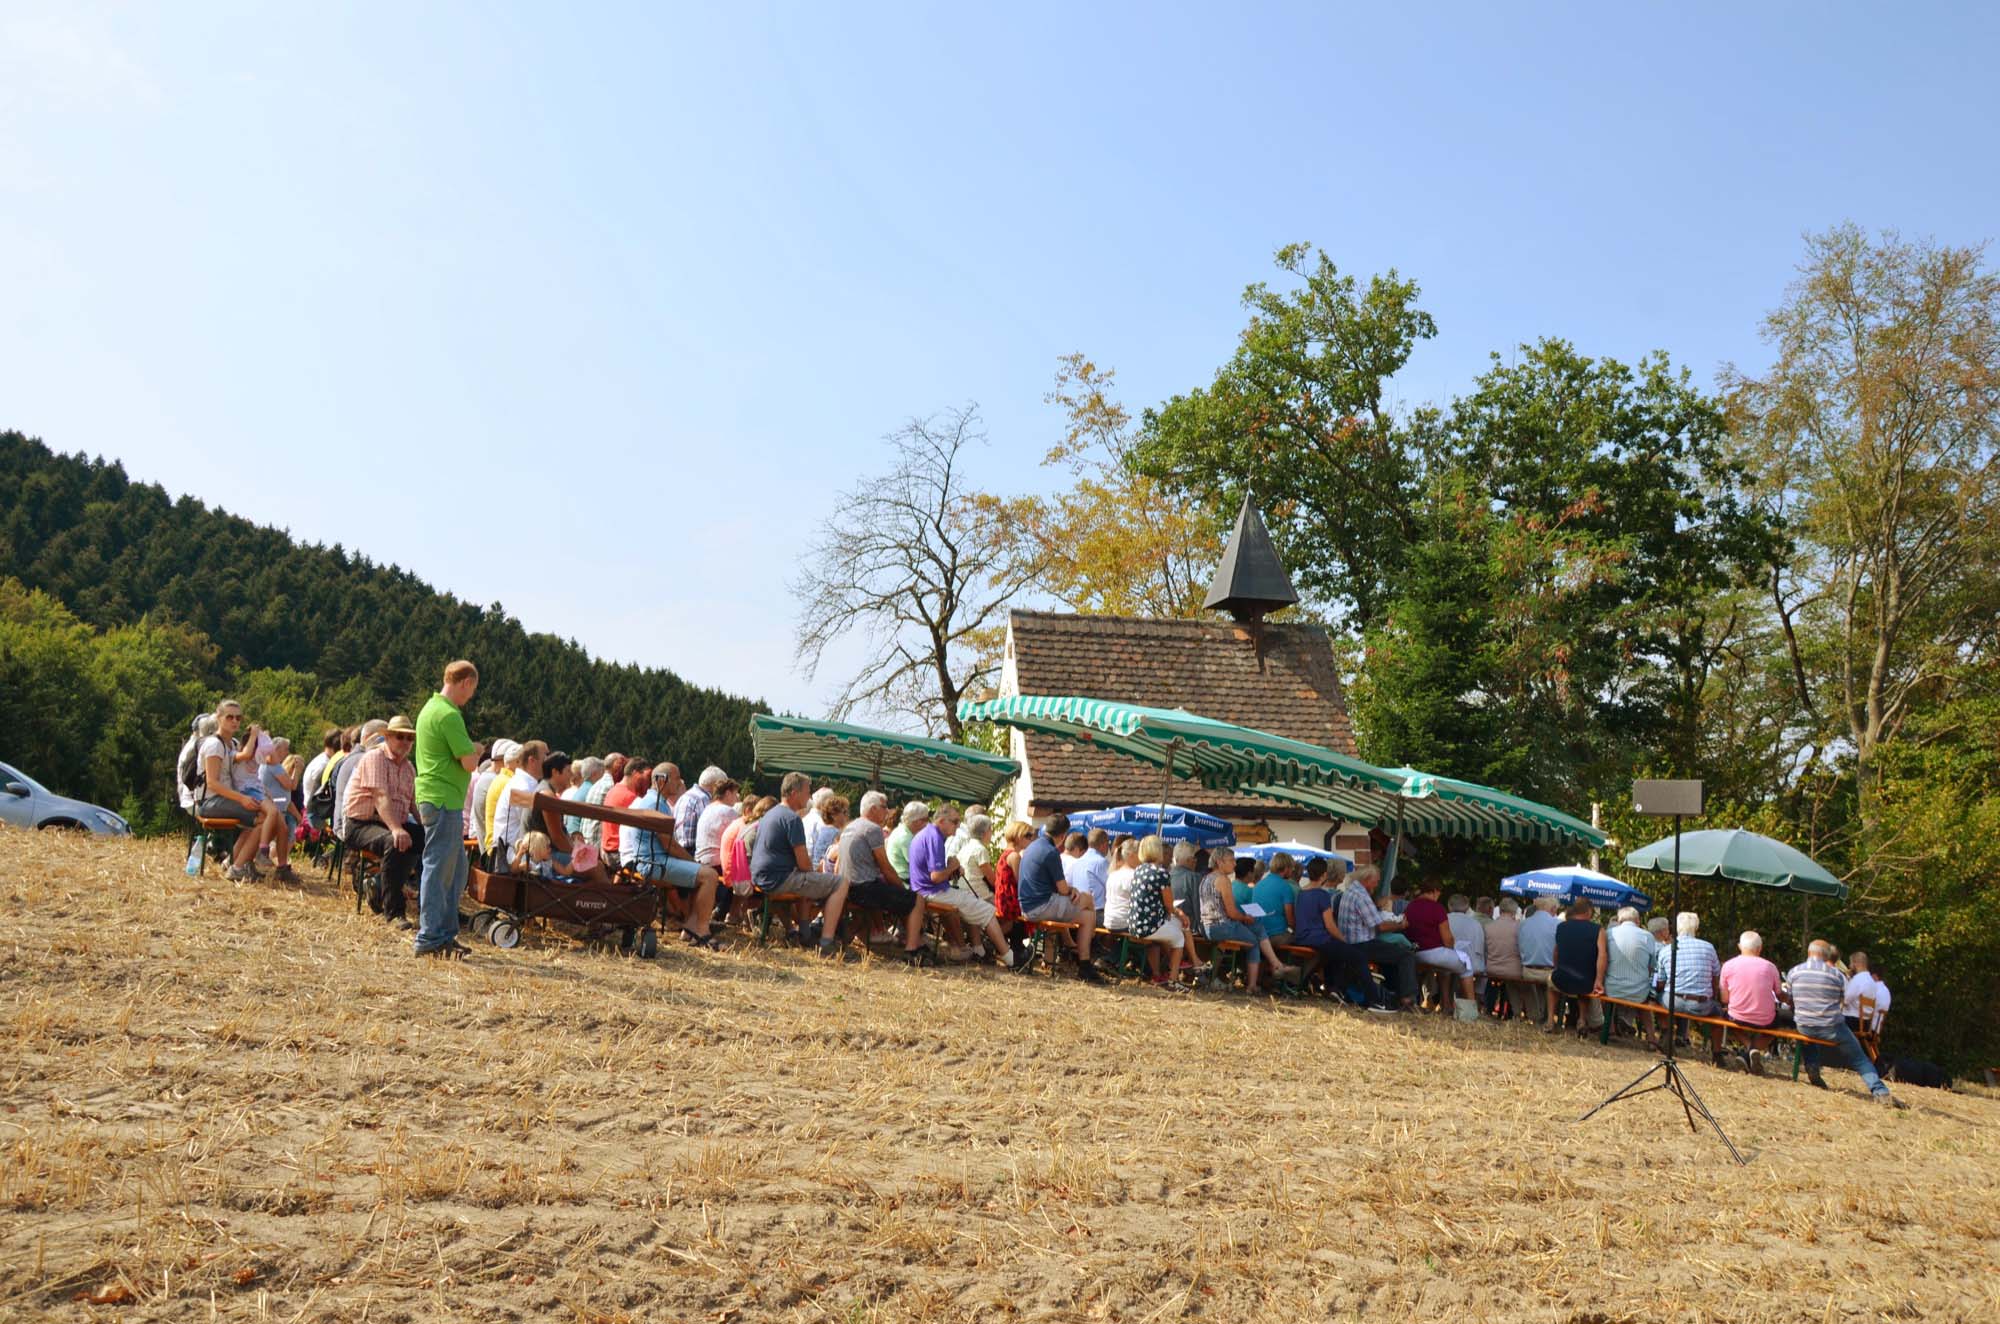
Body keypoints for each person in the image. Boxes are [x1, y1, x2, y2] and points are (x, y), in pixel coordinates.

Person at [1789, 940, 1904, 1106]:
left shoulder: (1794, 972)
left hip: (1804, 1025)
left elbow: (1792, 1001)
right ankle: (1880, 1092)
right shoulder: (1836, 975)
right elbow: (1843, 1000)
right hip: (1832, 1028)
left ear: (1808, 953)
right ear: (1827, 955)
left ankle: (1812, 1067)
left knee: (1809, 1030)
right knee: (1860, 1059)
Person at [626, 763, 724, 946]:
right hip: (654, 864)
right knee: (710, 876)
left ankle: (691, 927)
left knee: (703, 874)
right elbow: (669, 845)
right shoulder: (656, 805)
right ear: (662, 780)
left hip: (650, 860)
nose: (680, 783)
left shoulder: (653, 801)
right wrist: (694, 862)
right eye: (677, 778)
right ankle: (701, 930)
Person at [345, 714, 425, 932]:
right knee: (395, 841)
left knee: (423, 839)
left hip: (386, 823)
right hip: (360, 824)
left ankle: (391, 889)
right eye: (400, 737)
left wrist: (424, 827)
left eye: (409, 739)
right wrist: (397, 828)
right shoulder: (375, 758)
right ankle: (394, 912)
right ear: (388, 737)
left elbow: (411, 804)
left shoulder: (408, 768)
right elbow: (380, 797)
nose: (406, 743)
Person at [914, 807, 1016, 966]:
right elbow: (935, 877)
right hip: (932, 891)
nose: (958, 825)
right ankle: (1010, 959)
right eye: (955, 821)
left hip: (926, 890)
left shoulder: (928, 834)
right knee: (987, 910)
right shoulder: (935, 838)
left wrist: (951, 868)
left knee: (973, 905)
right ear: (941, 821)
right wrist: (952, 867)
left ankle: (979, 950)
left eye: (959, 821)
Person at [1014, 813, 1104, 982]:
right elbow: (1062, 889)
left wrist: (1070, 890)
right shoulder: (1050, 852)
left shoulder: (1032, 847)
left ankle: (1079, 954)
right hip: (1041, 906)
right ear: (1063, 836)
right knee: (1088, 901)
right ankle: (1086, 960)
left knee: (1087, 915)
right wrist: (1073, 890)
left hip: (1027, 905)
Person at [1291, 858, 1384, 1009]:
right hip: (1319, 939)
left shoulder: (1301, 893)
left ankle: (1336, 989)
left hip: (1301, 937)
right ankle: (1374, 999)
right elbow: (1330, 925)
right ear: (1324, 875)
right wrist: (1343, 940)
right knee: (1357, 956)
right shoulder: (1322, 895)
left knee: (1338, 954)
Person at [1200, 847, 1297, 990]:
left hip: (1206, 926)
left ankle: (1277, 964)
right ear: (1220, 862)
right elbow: (1232, 913)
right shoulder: (1223, 880)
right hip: (1222, 927)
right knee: (1254, 941)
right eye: (1231, 860)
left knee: (1258, 928)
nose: (1234, 864)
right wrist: (1245, 917)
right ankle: (1252, 985)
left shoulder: (1206, 879)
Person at [195, 700, 271, 880]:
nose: (235, 721)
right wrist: (241, 799)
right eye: (229, 717)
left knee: (260, 816)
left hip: (223, 799)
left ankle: (235, 861)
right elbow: (212, 783)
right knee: (263, 817)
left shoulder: (232, 743)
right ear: (219, 718)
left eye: (238, 717)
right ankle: (237, 868)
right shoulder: (214, 745)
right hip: (210, 802)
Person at [1334, 865, 1417, 1012]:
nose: (1377, 885)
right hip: (1362, 944)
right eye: (1376, 881)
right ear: (1367, 880)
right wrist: (1400, 925)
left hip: (1349, 943)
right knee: (1406, 955)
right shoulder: (1362, 896)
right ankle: (1407, 998)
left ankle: (1392, 996)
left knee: (1392, 955)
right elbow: (1380, 927)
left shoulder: (1349, 892)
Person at [1654, 911, 1724, 1058]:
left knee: (1656, 999)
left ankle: (1667, 1033)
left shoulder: (1667, 950)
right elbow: (1716, 976)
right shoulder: (1709, 948)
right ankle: (1717, 1053)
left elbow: (1660, 982)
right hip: (1701, 1004)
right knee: (1719, 1013)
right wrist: (1713, 995)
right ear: (1696, 928)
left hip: (1673, 1000)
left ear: (1676, 928)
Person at [1716, 930, 1785, 1071]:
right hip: (1765, 1020)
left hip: (1737, 1017)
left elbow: (1724, 999)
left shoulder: (1728, 965)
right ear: (1760, 948)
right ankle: (1753, 1049)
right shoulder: (1770, 967)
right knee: (1776, 1025)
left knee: (1726, 1018)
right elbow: (1779, 994)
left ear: (1739, 946)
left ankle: (1748, 1048)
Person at [1126, 835, 1189, 987]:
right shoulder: (1161, 873)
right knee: (1179, 937)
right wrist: (1181, 913)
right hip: (1150, 925)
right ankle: (1174, 980)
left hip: (1134, 924)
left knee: (1175, 930)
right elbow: (1169, 905)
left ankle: (1171, 971)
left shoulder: (1139, 870)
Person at [1405, 879, 1473, 1015]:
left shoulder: (1410, 907)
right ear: (1435, 892)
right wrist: (1453, 944)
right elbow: (1447, 940)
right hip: (1434, 952)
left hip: (1414, 952)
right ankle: (1471, 1009)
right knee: (1467, 966)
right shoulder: (1437, 908)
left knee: (1445, 969)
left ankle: (1446, 1005)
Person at [1601, 906, 1661, 1039]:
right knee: (1644, 1003)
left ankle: (1610, 1030)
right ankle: (1651, 1038)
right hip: (1639, 992)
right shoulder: (1648, 937)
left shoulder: (1609, 933)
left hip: (1612, 989)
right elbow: (1651, 967)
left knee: (1603, 994)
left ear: (1619, 920)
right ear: (1638, 921)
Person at [1551, 899, 1607, 1034]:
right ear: (1588, 912)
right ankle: (1581, 1020)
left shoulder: (1561, 927)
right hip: (1586, 982)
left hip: (1561, 980)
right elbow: (1602, 955)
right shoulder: (1598, 930)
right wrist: (1598, 980)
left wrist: (1556, 968)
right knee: (1584, 986)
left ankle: (1549, 1019)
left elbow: (1556, 952)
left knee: (1550, 982)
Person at [493, 741, 550, 864]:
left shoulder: (523, 783)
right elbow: (532, 827)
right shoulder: (524, 787)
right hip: (514, 857)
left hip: (514, 852)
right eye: (546, 756)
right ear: (532, 761)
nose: (549, 762)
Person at [255, 737, 301, 883]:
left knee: (280, 833)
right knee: (281, 834)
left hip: (272, 805)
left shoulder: (268, 764)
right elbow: (291, 786)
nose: (287, 752)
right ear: (277, 749)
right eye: (285, 749)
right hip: (272, 808)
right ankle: (281, 868)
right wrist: (298, 770)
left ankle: (281, 867)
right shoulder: (273, 765)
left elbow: (285, 796)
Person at [1516, 897, 1561, 1026]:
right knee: (1555, 983)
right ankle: (1549, 1018)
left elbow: (1520, 947)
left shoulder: (1523, 924)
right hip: (1550, 973)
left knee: (1534, 986)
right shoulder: (1557, 924)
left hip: (1527, 971)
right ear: (1553, 909)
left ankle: (1536, 1016)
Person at [603, 758, 652, 865]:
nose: (649, 781)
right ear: (635, 773)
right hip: (618, 853)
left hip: (608, 850)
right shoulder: (630, 797)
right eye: (647, 776)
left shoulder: (614, 790)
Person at [1485, 898, 1527, 1021]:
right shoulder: (1519, 927)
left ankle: (1488, 1008)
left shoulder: (1489, 926)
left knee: (1499, 982)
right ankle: (1518, 1014)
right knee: (1526, 986)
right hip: (1513, 971)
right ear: (1514, 911)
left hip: (1491, 968)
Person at [991, 819, 1030, 949]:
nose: (1031, 839)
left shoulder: (1006, 853)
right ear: (1018, 836)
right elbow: (1021, 882)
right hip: (1010, 900)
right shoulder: (1015, 856)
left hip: (1002, 898)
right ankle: (993, 943)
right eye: (1028, 835)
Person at [1248, 853, 1299, 947]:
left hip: (1258, 935)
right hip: (1277, 936)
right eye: (1292, 868)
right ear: (1286, 868)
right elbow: (1290, 920)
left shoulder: (1258, 885)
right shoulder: (1285, 887)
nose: (1292, 871)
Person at [1842, 951, 1892, 1041]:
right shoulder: (1871, 982)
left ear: (1855, 963)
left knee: (1827, 1022)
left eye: (1850, 963)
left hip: (1853, 1022)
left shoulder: (1857, 980)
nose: (1849, 966)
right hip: (1866, 1023)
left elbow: (1845, 1000)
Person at [695, 778, 741, 871]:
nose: (737, 798)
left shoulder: (707, 808)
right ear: (728, 793)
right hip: (717, 864)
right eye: (735, 794)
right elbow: (740, 836)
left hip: (700, 862)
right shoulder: (728, 811)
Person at [1102, 837, 1140, 933]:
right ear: (1132, 856)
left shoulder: (1113, 874)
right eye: (1140, 854)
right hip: (1124, 922)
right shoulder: (1134, 875)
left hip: (1109, 920)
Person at [1169, 841, 1205, 938]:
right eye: (1194, 858)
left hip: (1167, 924)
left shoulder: (1167, 875)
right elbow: (1198, 906)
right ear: (1190, 860)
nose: (1195, 861)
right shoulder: (1194, 877)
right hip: (1188, 927)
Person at [563, 756, 603, 838]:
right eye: (602, 772)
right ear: (594, 774)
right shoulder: (592, 790)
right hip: (578, 837)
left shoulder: (583, 788)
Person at [886, 801, 928, 880]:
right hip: (905, 884)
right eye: (926, 819)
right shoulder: (906, 838)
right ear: (917, 821)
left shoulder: (901, 830)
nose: (927, 823)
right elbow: (920, 867)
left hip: (902, 880)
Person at [1078, 829, 1112, 910]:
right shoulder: (1101, 862)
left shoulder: (1078, 861)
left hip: (1080, 910)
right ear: (1104, 844)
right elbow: (1112, 886)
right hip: (1098, 910)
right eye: (1108, 844)